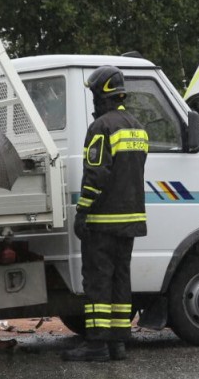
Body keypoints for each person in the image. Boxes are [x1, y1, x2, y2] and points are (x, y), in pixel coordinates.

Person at [63, 66, 149, 362]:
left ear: (103, 94)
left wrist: (82, 211)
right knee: (120, 282)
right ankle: (118, 343)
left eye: (94, 94)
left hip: (102, 223)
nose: (93, 101)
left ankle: (97, 345)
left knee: (98, 283)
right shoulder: (137, 127)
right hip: (130, 221)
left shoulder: (101, 127)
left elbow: (96, 175)